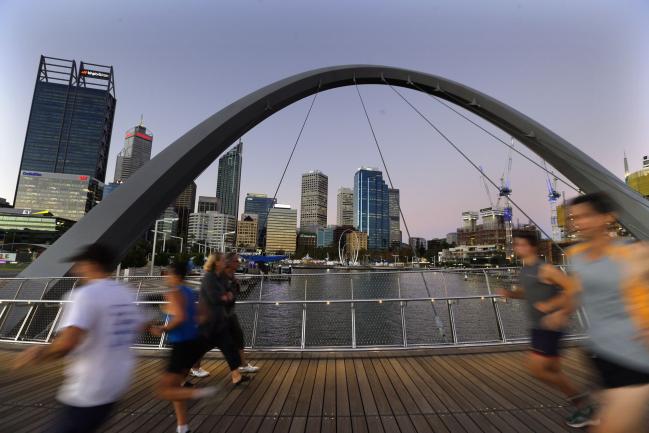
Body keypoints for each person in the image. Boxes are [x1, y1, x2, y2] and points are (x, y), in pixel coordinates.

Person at [13, 243, 146, 433]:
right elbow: (138, 326)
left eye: (80, 264)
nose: (76, 270)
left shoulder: (85, 295)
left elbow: (68, 342)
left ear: (92, 264)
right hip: (115, 385)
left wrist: (39, 353)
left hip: (87, 389)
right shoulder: (128, 294)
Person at [567, 192, 649, 433]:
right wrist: (559, 311)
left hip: (634, 357)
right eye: (574, 218)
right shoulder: (576, 256)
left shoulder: (634, 253)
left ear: (608, 217)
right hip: (599, 353)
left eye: (586, 216)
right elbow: (578, 292)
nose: (578, 222)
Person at [499, 233, 595, 428]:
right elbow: (527, 293)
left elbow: (574, 288)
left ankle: (584, 403)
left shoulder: (545, 269)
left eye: (522, 245)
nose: (517, 248)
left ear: (533, 247)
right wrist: (511, 293)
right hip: (537, 327)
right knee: (553, 370)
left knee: (536, 369)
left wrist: (556, 308)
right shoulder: (525, 270)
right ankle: (583, 405)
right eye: (516, 245)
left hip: (549, 327)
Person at [151, 262, 216, 433]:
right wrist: (189, 324)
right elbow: (203, 314)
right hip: (193, 343)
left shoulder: (174, 293)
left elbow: (179, 317)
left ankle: (202, 394)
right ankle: (182, 427)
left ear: (175, 276)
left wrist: (163, 328)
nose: (166, 276)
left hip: (180, 345)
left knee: (164, 390)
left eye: (168, 273)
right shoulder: (189, 291)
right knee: (176, 387)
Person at [192, 253, 248, 385]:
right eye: (223, 260)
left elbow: (230, 294)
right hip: (209, 319)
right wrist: (225, 296)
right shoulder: (209, 278)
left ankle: (236, 376)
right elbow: (214, 297)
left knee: (229, 347)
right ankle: (182, 374)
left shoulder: (220, 278)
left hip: (219, 318)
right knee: (198, 349)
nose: (225, 262)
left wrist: (229, 294)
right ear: (216, 263)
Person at [223, 252, 259, 373]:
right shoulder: (222, 277)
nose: (239, 263)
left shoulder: (232, 277)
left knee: (238, 336)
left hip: (230, 313)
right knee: (206, 343)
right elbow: (222, 296)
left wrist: (237, 287)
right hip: (219, 315)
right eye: (236, 261)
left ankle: (242, 364)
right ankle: (193, 366)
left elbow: (236, 296)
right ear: (229, 263)